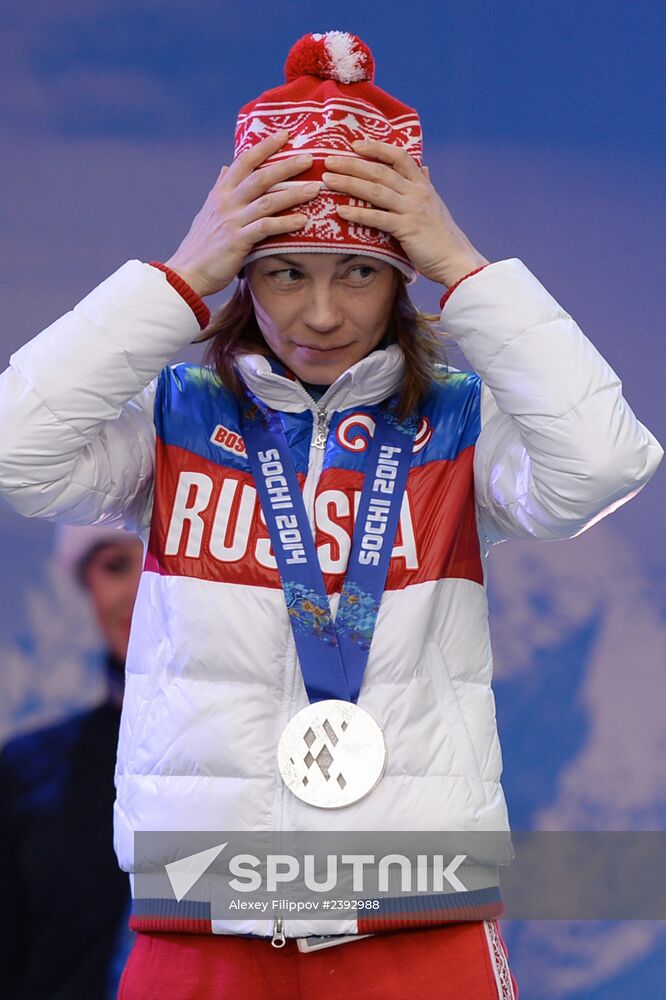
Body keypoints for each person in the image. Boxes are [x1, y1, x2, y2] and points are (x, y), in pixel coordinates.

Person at [0, 29, 661, 1000]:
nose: (320, 313)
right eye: (282, 271)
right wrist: (178, 276)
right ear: (241, 275)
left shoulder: (459, 429)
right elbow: (16, 446)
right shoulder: (171, 423)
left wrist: (468, 270)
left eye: (358, 271)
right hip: (203, 913)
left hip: (419, 915)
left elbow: (606, 462)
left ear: (403, 279)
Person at [0, 526, 143, 999]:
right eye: (117, 565)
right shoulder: (27, 770)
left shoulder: (278, 764)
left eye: (166, 568)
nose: (143, 590)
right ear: (86, 583)